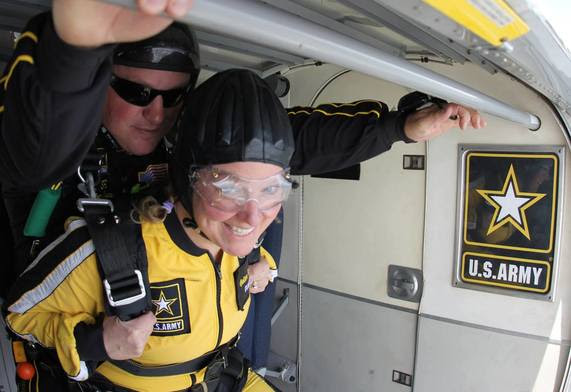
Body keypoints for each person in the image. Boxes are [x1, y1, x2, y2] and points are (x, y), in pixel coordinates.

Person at [0, 0, 484, 371]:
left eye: (174, 97)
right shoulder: (56, 148)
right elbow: (38, 141)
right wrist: (73, 51)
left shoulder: (187, 142)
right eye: (136, 92)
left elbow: (282, 141)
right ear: (101, 82)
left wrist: (401, 128)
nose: (156, 113)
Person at [5, 68, 295, 391]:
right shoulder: (114, 252)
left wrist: (264, 267)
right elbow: (19, 315)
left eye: (271, 189)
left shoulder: (240, 240)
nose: (252, 218)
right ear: (190, 177)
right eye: (229, 188)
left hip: (224, 379)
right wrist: (96, 342)